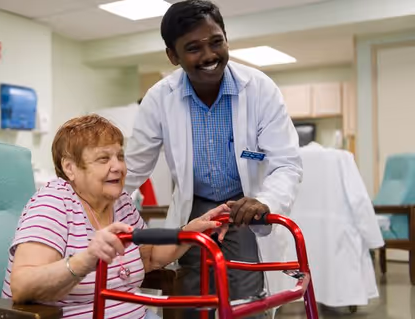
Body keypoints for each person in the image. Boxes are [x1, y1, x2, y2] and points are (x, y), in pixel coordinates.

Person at [124, 1, 303, 318]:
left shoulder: (260, 89)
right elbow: (131, 170)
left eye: (216, 42)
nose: (208, 55)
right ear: (173, 56)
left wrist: (266, 201)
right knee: (194, 297)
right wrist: (83, 210)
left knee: (247, 302)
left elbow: (286, 163)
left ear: (226, 38)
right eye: (193, 48)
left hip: (245, 208)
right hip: (196, 206)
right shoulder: (159, 98)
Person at [1, 114, 230, 319]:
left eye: (120, 156)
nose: (118, 167)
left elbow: (149, 258)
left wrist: (192, 230)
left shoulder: (121, 203)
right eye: (104, 159)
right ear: (70, 168)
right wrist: (87, 259)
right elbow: (23, 286)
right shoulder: (53, 202)